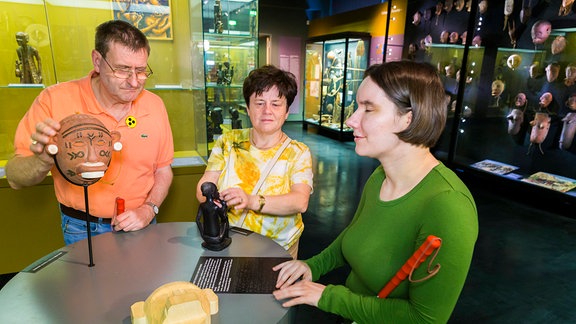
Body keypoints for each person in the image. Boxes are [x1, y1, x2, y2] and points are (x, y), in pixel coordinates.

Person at [272, 61, 478, 323]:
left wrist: (326, 296)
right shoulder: (380, 177)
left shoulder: (449, 206)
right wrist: (312, 266)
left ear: (408, 118)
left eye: (368, 109)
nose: (351, 119)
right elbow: (355, 236)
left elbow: (424, 319)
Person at [5, 20, 174, 245]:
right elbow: (15, 177)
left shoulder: (155, 105)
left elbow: (163, 170)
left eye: (141, 71)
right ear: (97, 61)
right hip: (81, 228)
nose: (134, 82)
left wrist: (149, 209)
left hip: (140, 223)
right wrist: (42, 159)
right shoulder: (54, 100)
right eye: (123, 69)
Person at [196, 65, 313, 259]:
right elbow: (205, 185)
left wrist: (250, 200)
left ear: (286, 112)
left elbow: (300, 201)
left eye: (276, 104)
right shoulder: (228, 141)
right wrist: (212, 198)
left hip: (278, 248)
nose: (267, 111)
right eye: (259, 103)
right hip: (230, 241)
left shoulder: (298, 153)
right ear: (248, 108)